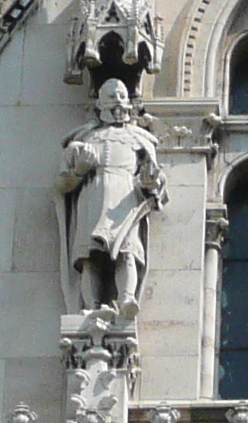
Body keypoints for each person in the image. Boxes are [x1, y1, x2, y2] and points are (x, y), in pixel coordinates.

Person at [53, 77, 165, 314]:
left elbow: (156, 181)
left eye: (122, 96)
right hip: (92, 194)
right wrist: (80, 171)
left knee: (128, 251)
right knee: (90, 257)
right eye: (112, 97)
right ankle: (91, 306)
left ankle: (126, 299)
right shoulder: (82, 139)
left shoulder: (141, 139)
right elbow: (62, 185)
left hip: (125, 197)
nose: (118, 102)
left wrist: (150, 182)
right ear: (100, 103)